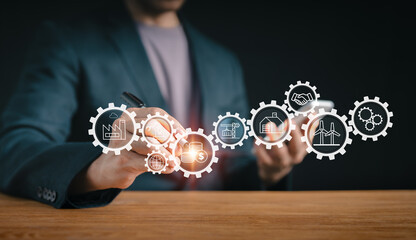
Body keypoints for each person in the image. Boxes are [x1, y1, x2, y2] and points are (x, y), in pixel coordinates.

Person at [0, 0, 308, 208]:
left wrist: (270, 171)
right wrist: (98, 168)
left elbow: (234, 166)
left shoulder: (223, 62)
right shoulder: (68, 41)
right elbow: (14, 148)